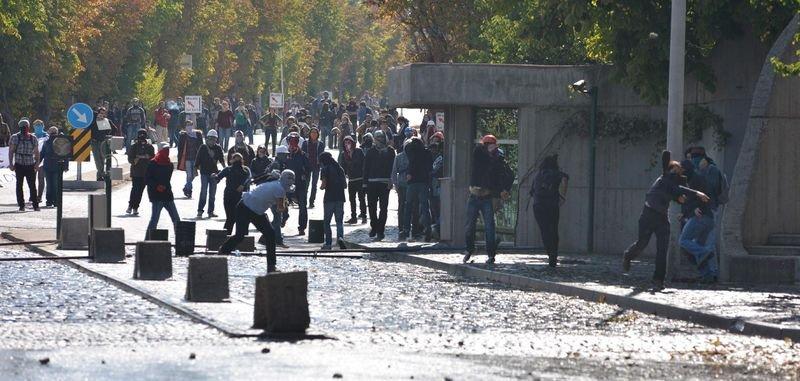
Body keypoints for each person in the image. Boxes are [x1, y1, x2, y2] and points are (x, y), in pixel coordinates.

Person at [622, 151, 710, 291]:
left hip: (662, 218)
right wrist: (697, 193)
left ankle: (658, 280)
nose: (676, 173)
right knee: (642, 243)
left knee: (662, 250)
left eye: (678, 171)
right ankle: (628, 256)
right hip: (648, 215)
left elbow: (679, 195)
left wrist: (686, 200)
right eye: (674, 170)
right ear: (668, 170)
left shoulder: (674, 184)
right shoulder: (663, 179)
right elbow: (675, 185)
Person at [218, 170, 295, 273]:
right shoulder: (280, 189)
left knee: (265, 234)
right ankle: (271, 266)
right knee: (244, 235)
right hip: (246, 208)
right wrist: (286, 202)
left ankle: (222, 252)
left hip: (250, 208)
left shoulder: (276, 183)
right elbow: (280, 209)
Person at [463, 135, 515, 264]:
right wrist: (490, 154)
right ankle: (469, 249)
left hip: (487, 197)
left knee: (489, 227)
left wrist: (504, 190)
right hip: (474, 196)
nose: (491, 148)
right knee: (469, 226)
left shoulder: (498, 160)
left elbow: (505, 175)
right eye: (489, 145)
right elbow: (481, 160)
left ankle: (491, 254)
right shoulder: (479, 153)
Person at [678, 160, 718, 283]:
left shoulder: (695, 180)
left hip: (701, 217)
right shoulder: (692, 180)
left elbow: (702, 197)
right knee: (696, 249)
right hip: (707, 218)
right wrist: (685, 213)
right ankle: (708, 275)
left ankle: (707, 252)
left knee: (684, 241)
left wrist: (694, 209)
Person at [531, 154, 569, 267]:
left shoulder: (538, 175)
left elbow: (532, 192)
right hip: (552, 204)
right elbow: (565, 179)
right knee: (553, 230)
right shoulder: (556, 173)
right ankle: (554, 255)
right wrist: (563, 195)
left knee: (544, 231)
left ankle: (550, 254)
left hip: (538, 205)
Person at [363, 130, 395, 241]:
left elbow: (393, 168)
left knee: (383, 208)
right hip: (372, 182)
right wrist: (364, 183)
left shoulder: (390, 151)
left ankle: (380, 230)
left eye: (381, 137)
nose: (380, 140)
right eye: (377, 138)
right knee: (371, 207)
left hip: (385, 182)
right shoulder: (371, 151)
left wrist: (392, 181)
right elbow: (366, 168)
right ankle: (374, 226)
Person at [145, 143, 180, 239]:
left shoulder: (169, 165)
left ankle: (180, 241)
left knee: (176, 220)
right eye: (165, 150)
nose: (167, 152)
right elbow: (148, 179)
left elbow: (167, 180)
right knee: (154, 220)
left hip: (167, 195)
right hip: (156, 196)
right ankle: (147, 241)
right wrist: (157, 186)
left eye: (168, 150)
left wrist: (163, 186)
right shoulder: (152, 163)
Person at [402, 137, 433, 241]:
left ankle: (406, 230)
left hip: (412, 182)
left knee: (408, 206)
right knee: (425, 207)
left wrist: (409, 173)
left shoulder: (411, 151)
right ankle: (428, 230)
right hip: (423, 182)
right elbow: (430, 167)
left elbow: (410, 160)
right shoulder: (426, 152)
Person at [213, 153, 252, 234]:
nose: (237, 160)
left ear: (242, 160)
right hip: (229, 196)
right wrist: (214, 176)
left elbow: (248, 177)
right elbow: (218, 177)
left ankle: (242, 239)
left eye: (239, 159)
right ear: (232, 160)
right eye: (235, 158)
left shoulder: (246, 169)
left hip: (241, 198)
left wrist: (242, 185)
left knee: (242, 219)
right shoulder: (228, 169)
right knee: (230, 218)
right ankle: (225, 238)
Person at [9, 119, 40, 211]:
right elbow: (11, 151)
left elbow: (36, 152)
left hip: (28, 164)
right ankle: (26, 205)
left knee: (29, 186)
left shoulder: (32, 138)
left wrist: (37, 163)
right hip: (21, 164)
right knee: (23, 185)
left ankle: (32, 205)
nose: (24, 128)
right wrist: (11, 163)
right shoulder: (15, 137)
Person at [319, 152, 347, 250]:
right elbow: (345, 185)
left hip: (329, 198)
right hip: (340, 198)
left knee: (327, 222)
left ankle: (328, 243)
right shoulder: (340, 168)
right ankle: (340, 238)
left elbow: (324, 184)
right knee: (339, 221)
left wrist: (321, 188)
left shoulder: (324, 169)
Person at [285, 133, 311, 235]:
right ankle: (284, 217)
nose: (292, 146)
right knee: (281, 203)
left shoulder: (303, 155)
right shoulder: (285, 154)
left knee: (303, 206)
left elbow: (309, 168)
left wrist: (304, 174)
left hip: (300, 184)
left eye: (295, 143)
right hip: (287, 184)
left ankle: (302, 227)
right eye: (291, 143)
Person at [195, 129, 226, 219]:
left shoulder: (218, 148)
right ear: (207, 139)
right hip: (204, 173)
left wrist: (226, 170)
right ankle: (200, 211)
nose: (212, 140)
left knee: (212, 194)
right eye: (211, 138)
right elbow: (198, 159)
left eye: (214, 139)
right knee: (203, 192)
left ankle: (210, 211)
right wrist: (195, 169)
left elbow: (222, 160)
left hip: (214, 174)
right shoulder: (203, 147)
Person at [338, 135, 367, 224]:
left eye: (349, 142)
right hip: (351, 179)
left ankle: (363, 216)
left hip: (360, 178)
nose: (347, 144)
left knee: (361, 198)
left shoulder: (358, 151)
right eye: (345, 143)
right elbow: (342, 167)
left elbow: (363, 163)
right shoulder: (344, 154)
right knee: (352, 199)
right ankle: (353, 217)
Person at [126, 129, 155, 215]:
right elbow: (130, 158)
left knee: (140, 191)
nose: (142, 137)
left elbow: (153, 158)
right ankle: (130, 205)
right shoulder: (134, 146)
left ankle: (135, 207)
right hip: (136, 172)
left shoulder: (150, 147)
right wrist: (136, 159)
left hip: (146, 172)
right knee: (135, 189)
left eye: (143, 135)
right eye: (140, 135)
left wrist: (147, 157)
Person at [392, 138, 414, 239]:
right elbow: (394, 171)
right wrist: (395, 184)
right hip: (402, 185)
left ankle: (409, 227)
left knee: (410, 207)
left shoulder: (414, 157)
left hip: (411, 185)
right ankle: (402, 227)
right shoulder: (399, 157)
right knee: (402, 206)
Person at [39, 127, 66, 207]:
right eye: (52, 132)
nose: (53, 134)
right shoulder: (48, 142)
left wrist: (65, 165)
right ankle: (51, 201)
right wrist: (37, 164)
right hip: (50, 166)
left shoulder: (59, 141)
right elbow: (42, 154)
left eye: (54, 132)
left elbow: (65, 154)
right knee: (52, 185)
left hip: (54, 166)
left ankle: (53, 201)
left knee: (52, 185)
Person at [177, 121, 203, 199]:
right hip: (187, 158)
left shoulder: (198, 134)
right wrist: (180, 158)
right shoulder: (183, 135)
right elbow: (180, 148)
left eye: (190, 125)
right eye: (187, 125)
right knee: (189, 175)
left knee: (194, 174)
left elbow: (201, 146)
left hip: (196, 158)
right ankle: (189, 191)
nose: (189, 126)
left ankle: (186, 187)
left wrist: (201, 158)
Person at [89, 107, 115, 181]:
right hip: (94, 142)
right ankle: (101, 174)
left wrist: (108, 135)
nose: (101, 115)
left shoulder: (106, 121)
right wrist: (96, 120)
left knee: (102, 159)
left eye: (103, 113)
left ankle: (100, 175)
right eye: (100, 113)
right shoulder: (93, 121)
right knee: (97, 159)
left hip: (103, 142)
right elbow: (89, 129)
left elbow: (113, 130)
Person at [302, 127, 325, 208]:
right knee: (306, 184)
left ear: (318, 134)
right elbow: (303, 154)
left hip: (316, 166)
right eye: (312, 132)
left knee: (314, 184)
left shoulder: (320, 144)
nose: (313, 134)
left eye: (315, 132)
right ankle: (303, 200)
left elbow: (322, 155)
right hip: (307, 166)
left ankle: (312, 201)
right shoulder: (305, 143)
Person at [429, 140, 444, 238]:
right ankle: (438, 228)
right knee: (437, 209)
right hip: (437, 187)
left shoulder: (441, 159)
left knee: (439, 209)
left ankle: (438, 229)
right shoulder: (440, 158)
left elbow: (435, 171)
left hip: (439, 187)